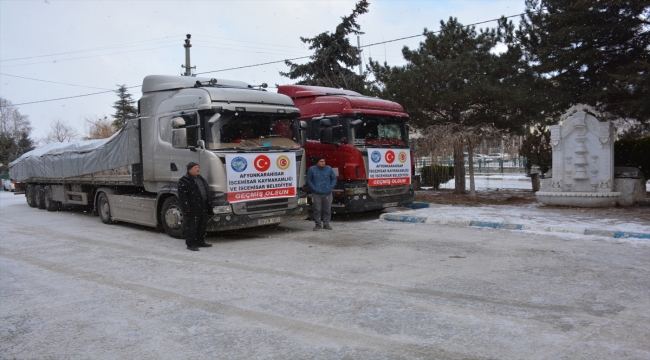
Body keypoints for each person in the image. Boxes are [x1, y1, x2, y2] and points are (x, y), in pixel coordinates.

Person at [178, 162, 213, 251]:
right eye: (195, 167)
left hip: (203, 205)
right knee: (192, 226)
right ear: (189, 170)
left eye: (198, 167)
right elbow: (183, 196)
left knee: (202, 225)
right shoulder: (184, 180)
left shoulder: (201, 179)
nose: (197, 169)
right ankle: (190, 244)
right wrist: (186, 208)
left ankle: (200, 241)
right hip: (193, 207)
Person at [306, 156, 337, 231]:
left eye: (324, 161)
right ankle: (318, 224)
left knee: (327, 209)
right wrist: (314, 188)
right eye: (321, 161)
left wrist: (331, 187)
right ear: (317, 162)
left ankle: (326, 224)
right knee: (317, 209)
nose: (323, 163)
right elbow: (308, 180)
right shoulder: (312, 169)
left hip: (327, 192)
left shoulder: (329, 169)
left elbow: (334, 178)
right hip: (317, 193)